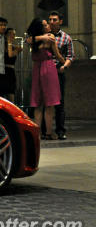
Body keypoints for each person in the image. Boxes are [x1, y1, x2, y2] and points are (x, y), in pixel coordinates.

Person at [27, 18, 65, 140]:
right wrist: (65, 62)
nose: (48, 25)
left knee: (38, 104)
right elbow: (57, 55)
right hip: (48, 69)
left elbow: (28, 40)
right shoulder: (50, 38)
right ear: (42, 28)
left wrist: (40, 37)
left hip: (37, 69)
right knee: (49, 104)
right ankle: (49, 133)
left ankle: (37, 133)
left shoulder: (34, 40)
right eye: (45, 24)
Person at [48, 11, 73, 140]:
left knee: (60, 102)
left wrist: (64, 66)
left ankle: (60, 131)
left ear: (60, 21)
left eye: (54, 20)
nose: (52, 22)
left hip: (58, 69)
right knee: (45, 102)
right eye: (50, 20)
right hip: (46, 69)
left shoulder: (66, 37)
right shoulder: (44, 35)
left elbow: (70, 56)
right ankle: (45, 131)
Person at [4, 27, 22, 103]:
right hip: (1, 70)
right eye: (10, 34)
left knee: (11, 93)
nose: (12, 36)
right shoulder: (1, 45)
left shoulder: (15, 47)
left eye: (13, 34)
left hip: (10, 71)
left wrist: (10, 43)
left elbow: (10, 54)